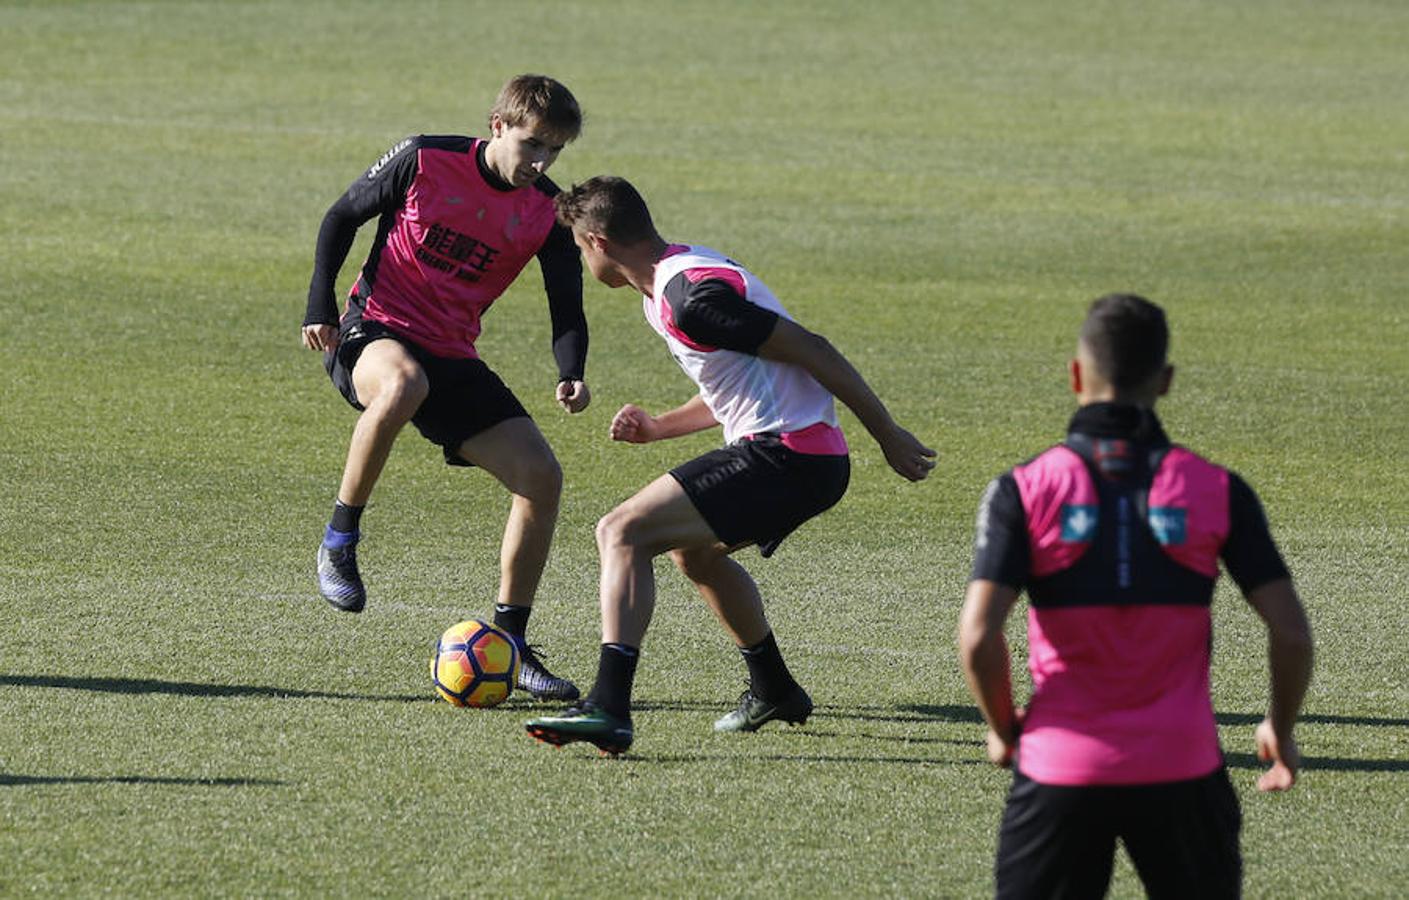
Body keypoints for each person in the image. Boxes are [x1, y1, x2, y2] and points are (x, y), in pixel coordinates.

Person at [523, 176, 936, 754]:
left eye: (576, 245)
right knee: (693, 554)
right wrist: (662, 426)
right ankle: (776, 689)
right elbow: (745, 383)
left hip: (789, 456)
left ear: (596, 242)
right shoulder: (670, 281)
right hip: (790, 451)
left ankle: (608, 707)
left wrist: (888, 435)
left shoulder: (690, 298)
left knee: (620, 531)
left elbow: (812, 349)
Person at [958, 293, 1314, 898]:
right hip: (1185, 770)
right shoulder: (1218, 489)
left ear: (1075, 375)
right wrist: (1280, 724)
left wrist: (1003, 728)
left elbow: (978, 634)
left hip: (1058, 772)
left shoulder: (1022, 490)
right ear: (1166, 381)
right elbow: (1291, 631)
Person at [300, 74, 590, 700]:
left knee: (541, 477)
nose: (540, 163)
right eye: (533, 144)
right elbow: (341, 217)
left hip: (452, 352)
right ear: (498, 125)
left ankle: (510, 644)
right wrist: (318, 302)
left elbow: (567, 304)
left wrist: (572, 371)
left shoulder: (547, 210)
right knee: (402, 384)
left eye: (554, 152)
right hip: (374, 329)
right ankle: (339, 542)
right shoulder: (425, 159)